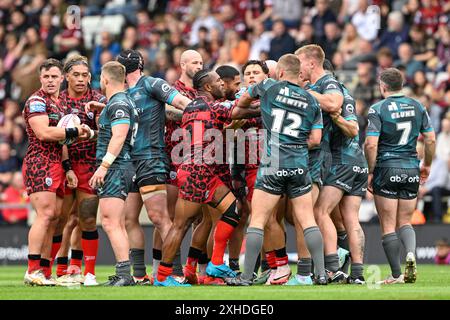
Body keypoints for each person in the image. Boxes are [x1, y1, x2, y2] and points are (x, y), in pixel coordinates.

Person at [225, 54, 327, 286]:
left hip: (273, 162)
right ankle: (320, 274)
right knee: (308, 220)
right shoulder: (312, 101)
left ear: (279, 72)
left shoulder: (269, 86)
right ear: (299, 74)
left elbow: (240, 105)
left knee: (258, 220)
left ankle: (246, 276)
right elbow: (316, 139)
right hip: (299, 164)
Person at [154, 69, 259, 286]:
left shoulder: (191, 106)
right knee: (180, 225)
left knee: (233, 211)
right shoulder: (213, 107)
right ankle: (163, 276)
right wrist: (264, 108)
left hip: (204, 171)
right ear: (209, 87)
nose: (222, 83)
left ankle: (214, 264)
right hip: (196, 171)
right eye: (219, 81)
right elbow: (240, 113)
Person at [117, 49, 191, 285]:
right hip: (128, 160)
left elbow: (181, 102)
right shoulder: (121, 93)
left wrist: (201, 113)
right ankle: (139, 275)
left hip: (151, 157)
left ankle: (174, 271)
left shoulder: (152, 84)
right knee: (129, 219)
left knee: (159, 218)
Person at [365, 67, 436, 284]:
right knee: (405, 221)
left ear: (382, 86)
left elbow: (370, 144)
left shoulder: (378, 108)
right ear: (402, 85)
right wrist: (427, 165)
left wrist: (370, 170)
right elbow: (430, 140)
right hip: (411, 167)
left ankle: (396, 275)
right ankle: (411, 254)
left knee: (388, 224)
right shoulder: (417, 106)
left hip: (386, 167)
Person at [23, 58, 90, 286]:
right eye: (46, 77)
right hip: (39, 161)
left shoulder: (60, 104)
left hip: (57, 163)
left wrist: (68, 167)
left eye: (54, 77)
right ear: (40, 78)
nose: (50, 81)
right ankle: (32, 270)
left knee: (56, 220)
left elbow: (62, 141)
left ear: (62, 78)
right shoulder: (36, 101)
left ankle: (44, 270)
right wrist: (74, 130)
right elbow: (43, 133)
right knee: (46, 214)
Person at [295, 45, 346, 282]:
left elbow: (335, 104)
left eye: (299, 63)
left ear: (312, 64)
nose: (297, 68)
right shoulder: (313, 86)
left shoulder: (328, 82)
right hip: (312, 154)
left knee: (311, 213)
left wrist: (303, 92)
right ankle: (332, 264)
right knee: (318, 214)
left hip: (321, 154)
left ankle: (320, 269)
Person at [54, 55, 105, 286]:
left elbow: (110, 132)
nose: (81, 79)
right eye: (76, 74)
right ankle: (59, 269)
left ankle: (89, 272)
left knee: (86, 219)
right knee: (60, 219)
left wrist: (92, 133)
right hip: (61, 165)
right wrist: (66, 168)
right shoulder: (57, 101)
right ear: (66, 76)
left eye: (85, 75)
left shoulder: (98, 99)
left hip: (89, 167)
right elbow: (54, 138)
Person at [88, 61, 139, 286]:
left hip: (116, 167)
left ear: (106, 80)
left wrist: (104, 166)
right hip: (122, 166)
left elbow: (119, 136)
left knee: (110, 222)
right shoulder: (121, 101)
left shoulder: (118, 103)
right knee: (116, 222)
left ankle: (124, 274)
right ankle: (124, 272)